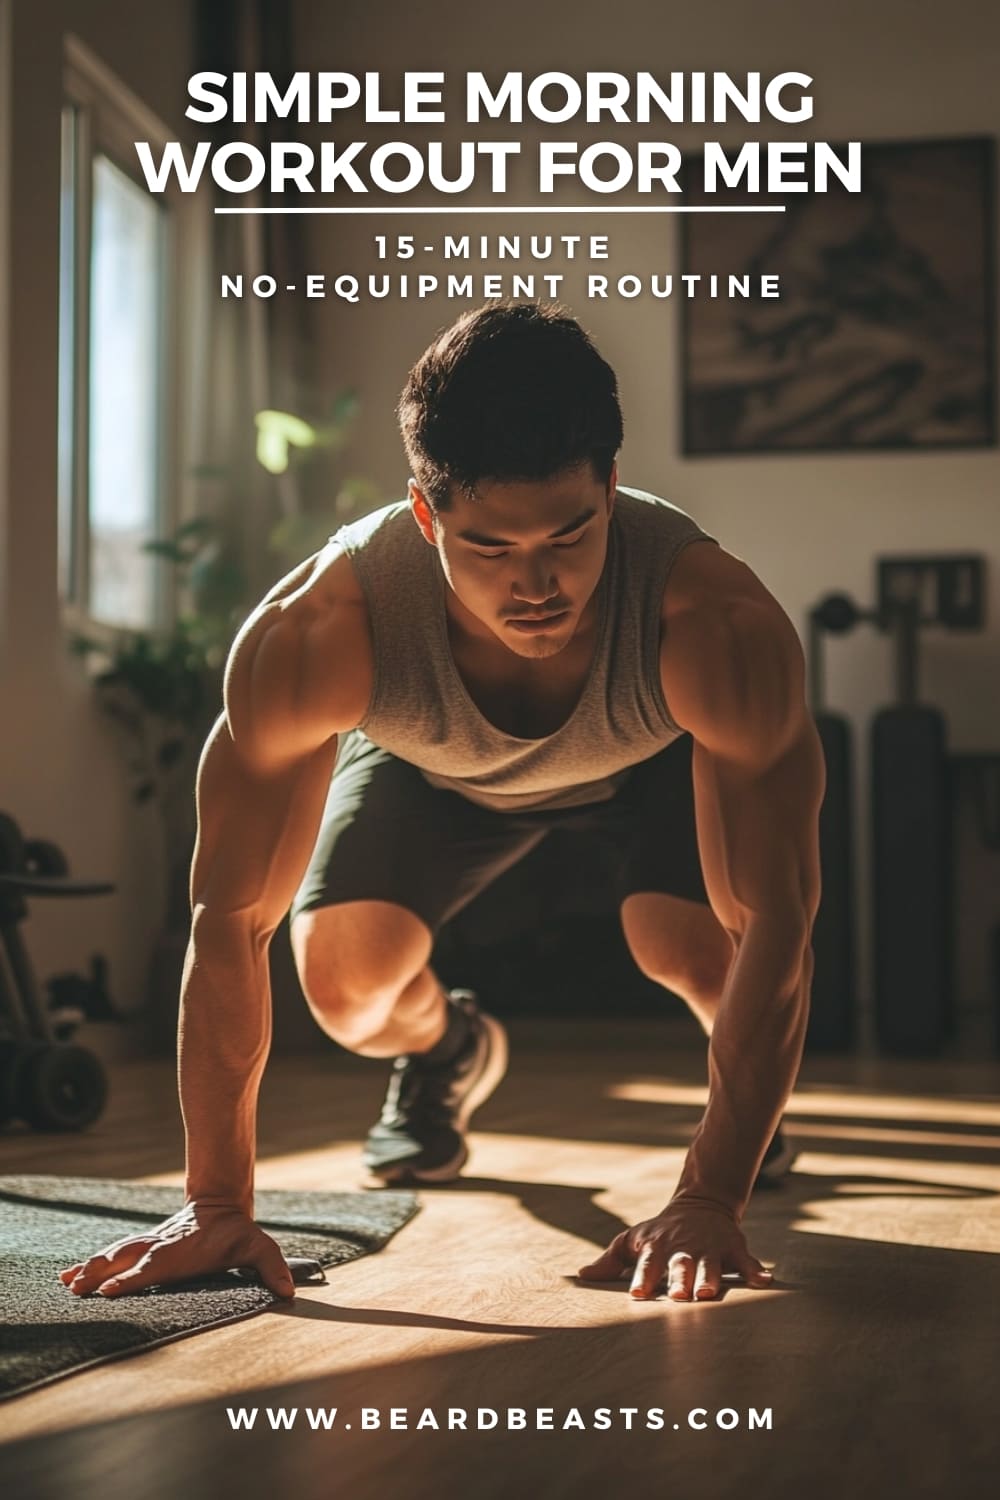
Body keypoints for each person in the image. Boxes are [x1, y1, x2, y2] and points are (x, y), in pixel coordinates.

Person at [60, 302, 823, 1306]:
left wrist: (709, 1196)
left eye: (569, 533)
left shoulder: (715, 625)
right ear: (426, 516)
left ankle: (749, 1126)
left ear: (611, 483)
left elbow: (779, 916)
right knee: (344, 993)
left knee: (687, 950)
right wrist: (213, 1203)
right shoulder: (318, 630)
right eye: (489, 550)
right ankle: (448, 1047)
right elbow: (229, 921)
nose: (537, 585)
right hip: (433, 770)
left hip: (648, 762)